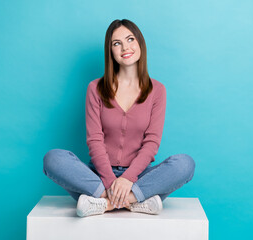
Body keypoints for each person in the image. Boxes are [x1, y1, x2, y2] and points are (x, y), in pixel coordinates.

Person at [43, 19, 195, 218]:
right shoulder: (95, 88)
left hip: (139, 176)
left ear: (140, 43)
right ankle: (135, 201)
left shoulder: (157, 90)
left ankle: (104, 204)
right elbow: (94, 140)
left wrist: (128, 179)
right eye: (117, 43)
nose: (125, 47)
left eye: (130, 39)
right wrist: (109, 179)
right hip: (98, 176)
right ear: (110, 51)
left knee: (185, 164)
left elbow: (152, 143)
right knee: (53, 159)